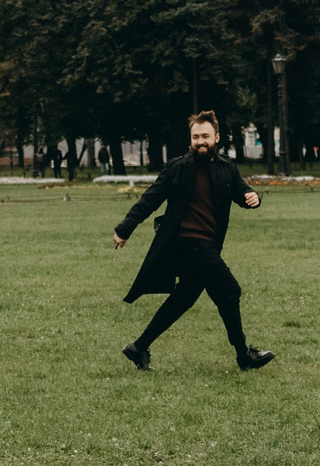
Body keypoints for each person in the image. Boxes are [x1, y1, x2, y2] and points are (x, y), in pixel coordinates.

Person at [111, 111, 274, 372]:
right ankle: (244, 356)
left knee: (184, 297)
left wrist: (252, 197)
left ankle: (138, 347)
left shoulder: (227, 168)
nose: (200, 141)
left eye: (205, 136)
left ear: (216, 138)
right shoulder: (178, 167)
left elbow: (242, 191)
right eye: (196, 136)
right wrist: (125, 228)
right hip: (186, 244)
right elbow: (150, 199)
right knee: (230, 290)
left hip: (208, 245)